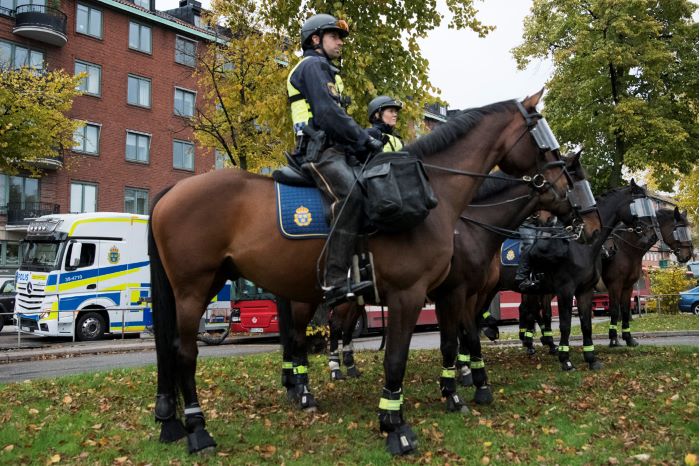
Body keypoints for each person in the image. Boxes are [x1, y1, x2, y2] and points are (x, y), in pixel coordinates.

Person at [287, 13, 384, 307]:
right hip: (318, 151)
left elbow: (337, 116)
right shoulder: (312, 65)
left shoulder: (326, 69)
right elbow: (328, 115)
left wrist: (361, 137)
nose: (340, 42)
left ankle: (364, 268)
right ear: (315, 40)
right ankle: (335, 282)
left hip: (334, 148)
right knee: (351, 196)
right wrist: (363, 139)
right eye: (334, 36)